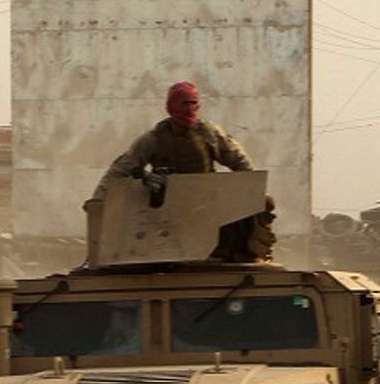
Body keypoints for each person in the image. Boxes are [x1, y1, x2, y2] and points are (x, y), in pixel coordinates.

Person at [88, 81, 275, 262]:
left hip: (208, 201)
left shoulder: (208, 133)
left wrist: (253, 192)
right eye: (184, 103)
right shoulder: (153, 139)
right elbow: (121, 169)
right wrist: (97, 201)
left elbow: (238, 160)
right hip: (170, 209)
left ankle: (237, 251)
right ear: (172, 106)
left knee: (263, 202)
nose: (189, 109)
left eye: (194, 103)